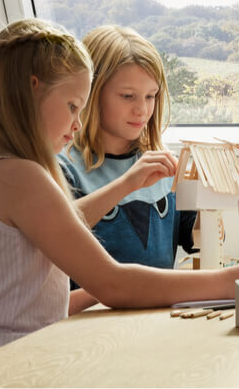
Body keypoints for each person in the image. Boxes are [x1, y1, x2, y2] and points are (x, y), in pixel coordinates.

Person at [0, 19, 239, 387]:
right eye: (72, 106)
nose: (77, 122)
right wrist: (225, 281)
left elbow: (56, 232)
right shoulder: (20, 176)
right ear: (32, 89)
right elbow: (113, 283)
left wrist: (129, 182)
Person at [57, 25, 197, 311]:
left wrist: (214, 199)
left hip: (157, 319)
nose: (142, 110)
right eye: (127, 96)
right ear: (91, 94)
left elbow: (193, 236)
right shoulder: (64, 168)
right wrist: (127, 184)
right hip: (90, 330)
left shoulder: (163, 163)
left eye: (151, 96)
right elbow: (57, 232)